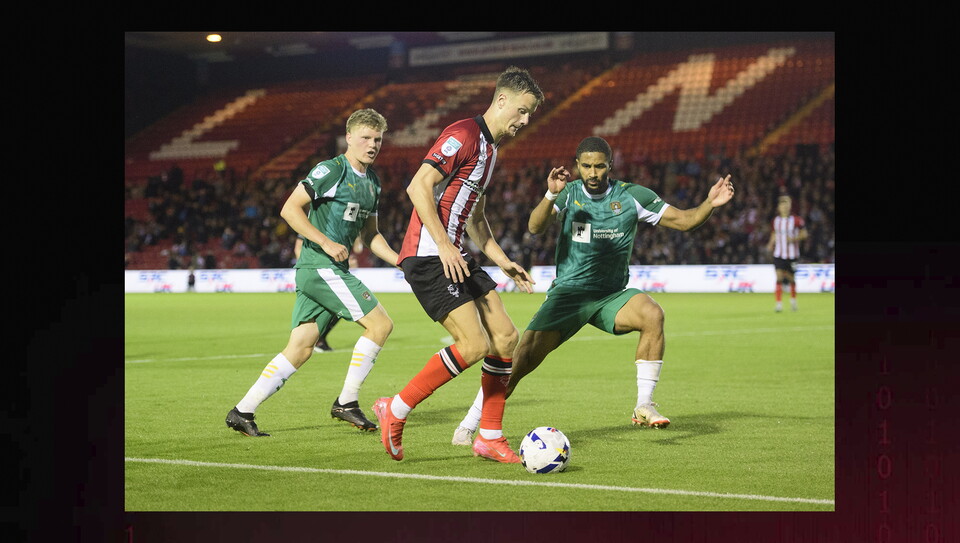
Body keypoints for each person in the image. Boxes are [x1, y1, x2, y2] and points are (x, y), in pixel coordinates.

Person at [450, 136, 736, 444]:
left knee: (652, 314)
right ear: (577, 166)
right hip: (569, 296)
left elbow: (685, 221)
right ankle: (471, 422)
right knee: (519, 362)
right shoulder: (568, 193)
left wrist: (709, 203)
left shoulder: (632, 196)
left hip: (610, 296)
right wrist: (549, 194)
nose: (593, 172)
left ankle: (644, 403)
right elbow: (535, 227)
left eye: (599, 166)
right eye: (586, 166)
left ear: (610, 166)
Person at [371, 66, 544, 463]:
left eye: (529, 113)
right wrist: (445, 243)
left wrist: (503, 261)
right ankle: (395, 410)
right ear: (501, 100)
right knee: (474, 344)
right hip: (430, 255)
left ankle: (488, 436)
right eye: (521, 110)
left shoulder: (492, 150)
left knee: (505, 338)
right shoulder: (463, 134)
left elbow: (477, 219)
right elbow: (418, 185)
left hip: (455, 253)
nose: (525, 120)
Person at [225, 108, 398, 436]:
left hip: (326, 268)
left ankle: (242, 410)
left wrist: (400, 259)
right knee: (381, 324)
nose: (372, 145)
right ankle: (347, 402)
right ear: (349, 138)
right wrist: (326, 242)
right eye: (365, 138)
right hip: (320, 266)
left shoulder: (373, 182)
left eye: (377, 139)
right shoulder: (331, 170)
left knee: (301, 347)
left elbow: (371, 235)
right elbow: (289, 208)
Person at [294, 236, 340, 352]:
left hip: (330, 271)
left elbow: (358, 249)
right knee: (336, 306)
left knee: (335, 308)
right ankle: (315, 340)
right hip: (314, 271)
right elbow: (298, 248)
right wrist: (307, 267)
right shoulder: (311, 222)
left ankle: (315, 340)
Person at [766, 194, 807, 312]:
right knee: (778, 277)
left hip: (792, 255)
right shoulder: (776, 221)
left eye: (786, 204)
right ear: (779, 207)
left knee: (791, 279)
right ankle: (778, 304)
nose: (784, 207)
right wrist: (770, 244)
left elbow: (804, 234)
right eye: (782, 204)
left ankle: (793, 301)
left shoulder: (797, 220)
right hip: (779, 254)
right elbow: (774, 234)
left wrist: (793, 239)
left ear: (790, 206)